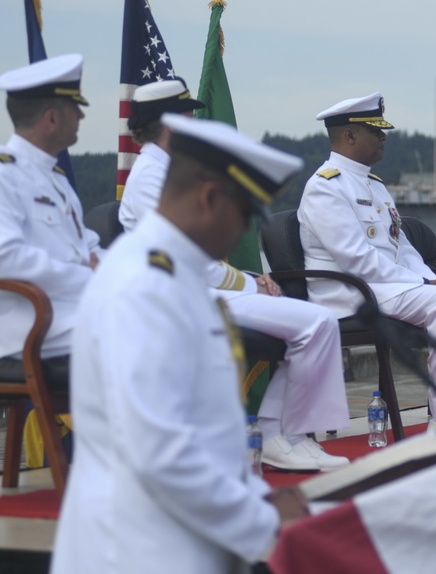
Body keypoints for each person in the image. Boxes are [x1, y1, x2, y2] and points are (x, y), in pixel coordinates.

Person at [52, 115, 311, 573]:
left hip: (180, 540)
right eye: (246, 217)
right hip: (134, 551)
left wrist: (258, 497)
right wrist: (263, 522)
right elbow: (160, 452)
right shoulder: (144, 285)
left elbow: (209, 434)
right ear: (211, 197)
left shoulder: (178, 277)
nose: (242, 235)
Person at [119, 79, 349, 472]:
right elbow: (183, 253)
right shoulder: (153, 177)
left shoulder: (168, 169)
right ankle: (279, 434)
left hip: (201, 286)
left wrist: (244, 275)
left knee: (318, 323)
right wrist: (248, 280)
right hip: (177, 294)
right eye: (190, 115)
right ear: (173, 125)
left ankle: (279, 433)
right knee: (317, 322)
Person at [298, 92, 436, 421]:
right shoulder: (325, 187)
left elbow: (400, 246)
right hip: (350, 291)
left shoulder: (375, 185)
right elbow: (356, 259)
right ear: (349, 135)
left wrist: (430, 277)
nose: (382, 137)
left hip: (387, 286)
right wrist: (424, 284)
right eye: (375, 131)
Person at [0, 54, 101, 373]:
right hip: (28, 324)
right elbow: (5, 258)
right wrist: (88, 276)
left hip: (71, 312)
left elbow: (88, 248)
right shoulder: (5, 176)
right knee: (156, 334)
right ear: (52, 119)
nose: (82, 117)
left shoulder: (55, 178)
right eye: (75, 108)